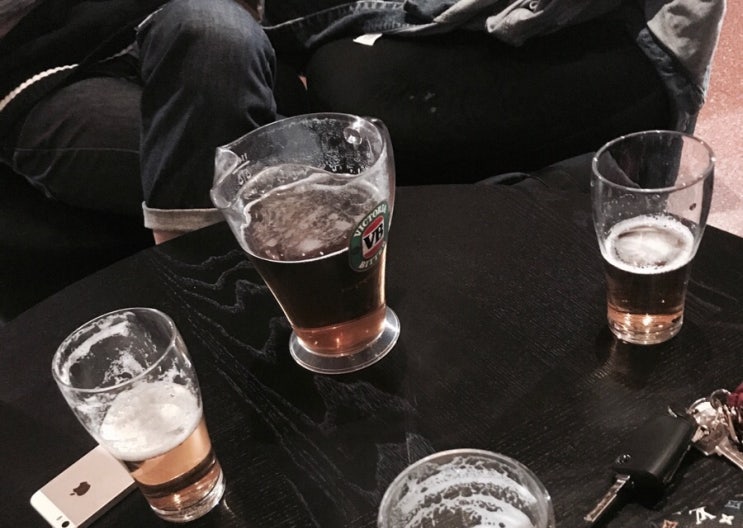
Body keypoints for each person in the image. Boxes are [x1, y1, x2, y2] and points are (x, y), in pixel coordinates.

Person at [0, 0, 726, 244]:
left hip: (218, 29)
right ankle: (222, 309)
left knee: (213, 34)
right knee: (287, 163)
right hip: (52, 74)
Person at [0, 0, 278, 244]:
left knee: (214, 28)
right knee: (267, 161)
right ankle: (205, 271)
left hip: (153, 15)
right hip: (35, 69)